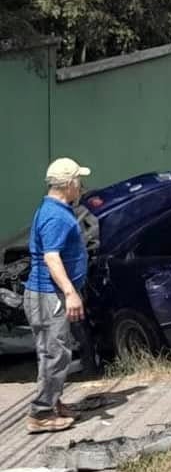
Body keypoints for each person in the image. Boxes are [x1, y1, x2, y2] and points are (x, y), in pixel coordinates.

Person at [24, 157, 91, 434]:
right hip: (49, 296)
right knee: (55, 354)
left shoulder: (52, 208)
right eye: (80, 181)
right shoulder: (56, 216)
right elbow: (51, 258)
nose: (83, 186)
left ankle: (53, 402)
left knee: (51, 351)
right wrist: (70, 292)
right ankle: (41, 413)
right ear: (70, 184)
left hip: (45, 295)